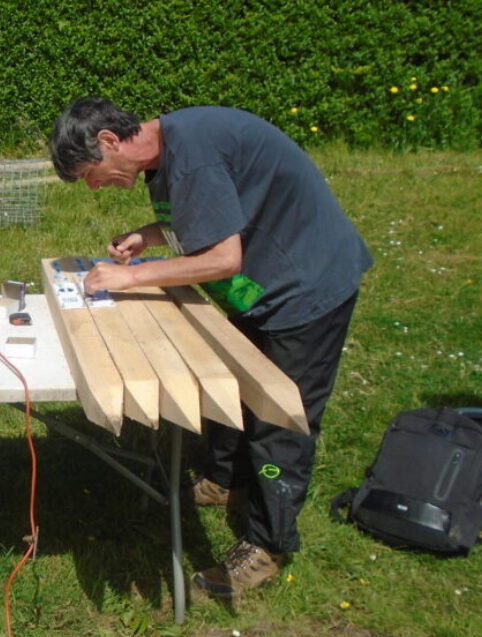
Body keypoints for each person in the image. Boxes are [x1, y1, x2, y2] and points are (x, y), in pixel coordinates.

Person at [49, 98, 374, 597]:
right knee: (234, 392)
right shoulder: (171, 151)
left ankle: (268, 543)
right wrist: (147, 235)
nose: (94, 187)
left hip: (305, 289)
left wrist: (131, 277)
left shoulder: (194, 153)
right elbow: (209, 215)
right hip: (262, 290)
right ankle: (223, 481)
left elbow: (222, 257)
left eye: (92, 173)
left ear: (110, 141)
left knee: (279, 419)